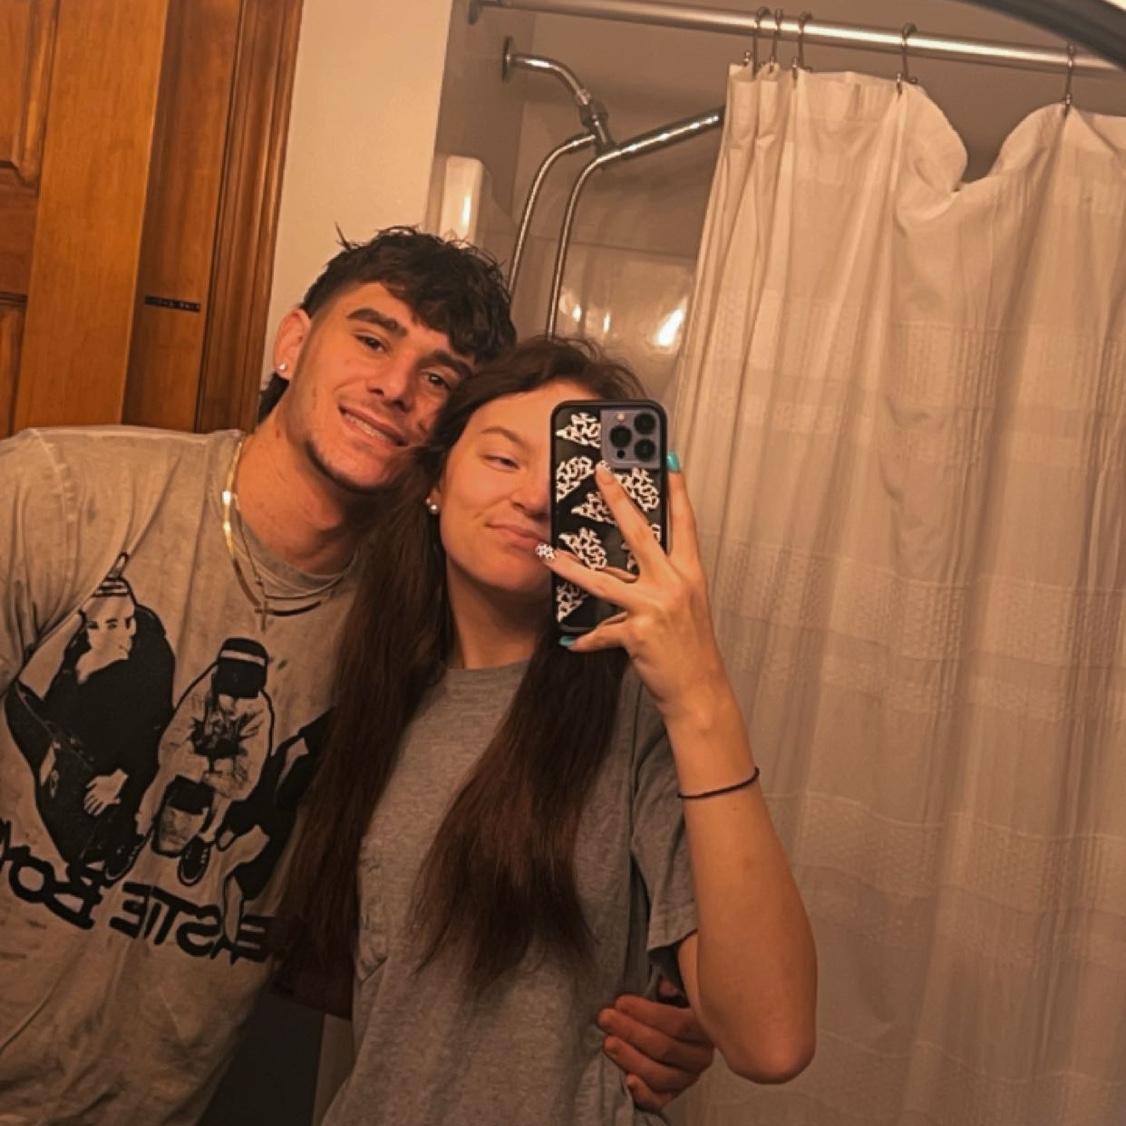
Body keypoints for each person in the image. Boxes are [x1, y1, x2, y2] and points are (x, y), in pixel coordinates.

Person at [0, 229, 712, 1124]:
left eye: (439, 377)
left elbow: (405, 914)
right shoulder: (61, 496)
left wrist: (655, 1004)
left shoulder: (418, 633)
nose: (395, 386)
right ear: (292, 342)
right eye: (372, 339)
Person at [280, 337, 818, 1124]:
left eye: (572, 480)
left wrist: (700, 690)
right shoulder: (374, 684)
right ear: (436, 482)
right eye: (503, 459)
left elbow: (772, 1038)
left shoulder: (640, 710)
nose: (535, 498)